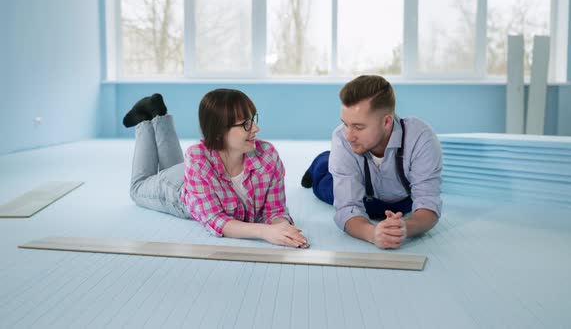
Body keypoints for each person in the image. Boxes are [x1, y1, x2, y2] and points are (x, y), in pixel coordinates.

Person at [124, 89, 308, 248]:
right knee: (137, 188)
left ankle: (158, 113)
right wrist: (265, 232)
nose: (256, 128)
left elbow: (275, 210)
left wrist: (283, 229)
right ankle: (144, 120)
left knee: (173, 166)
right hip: (177, 190)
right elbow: (214, 219)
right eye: (245, 123)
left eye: (253, 119)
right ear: (219, 131)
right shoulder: (197, 158)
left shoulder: (267, 155)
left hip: (196, 175)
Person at [301, 75, 442, 249]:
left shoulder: (421, 138)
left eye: (359, 127)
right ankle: (321, 162)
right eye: (345, 124)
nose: (348, 136)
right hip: (364, 194)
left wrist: (404, 228)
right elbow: (347, 207)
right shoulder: (342, 138)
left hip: (401, 201)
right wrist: (372, 233)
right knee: (323, 185)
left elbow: (428, 201)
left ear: (387, 122)